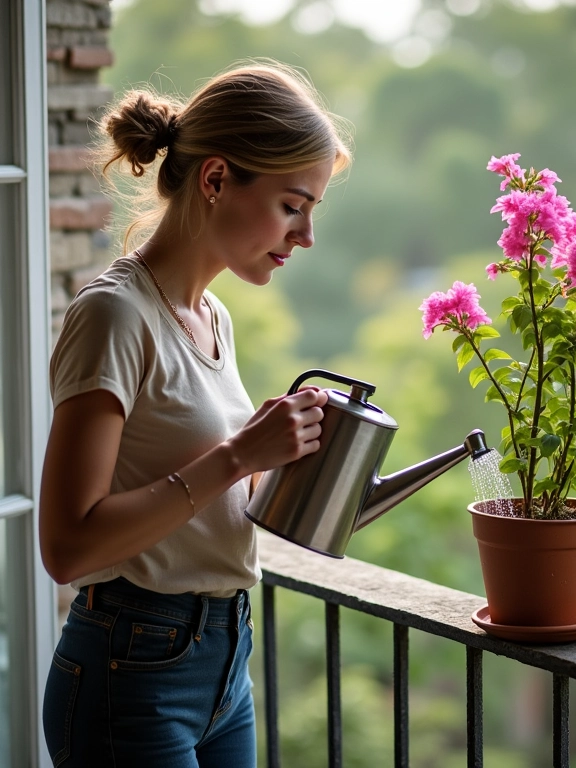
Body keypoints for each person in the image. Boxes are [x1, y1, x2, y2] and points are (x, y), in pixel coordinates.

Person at [39, 60, 352, 767]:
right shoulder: (114, 316)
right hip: (132, 671)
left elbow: (202, 503)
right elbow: (67, 548)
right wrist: (238, 455)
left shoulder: (211, 316)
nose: (305, 236)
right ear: (215, 180)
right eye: (292, 205)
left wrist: (285, 455)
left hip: (224, 661)